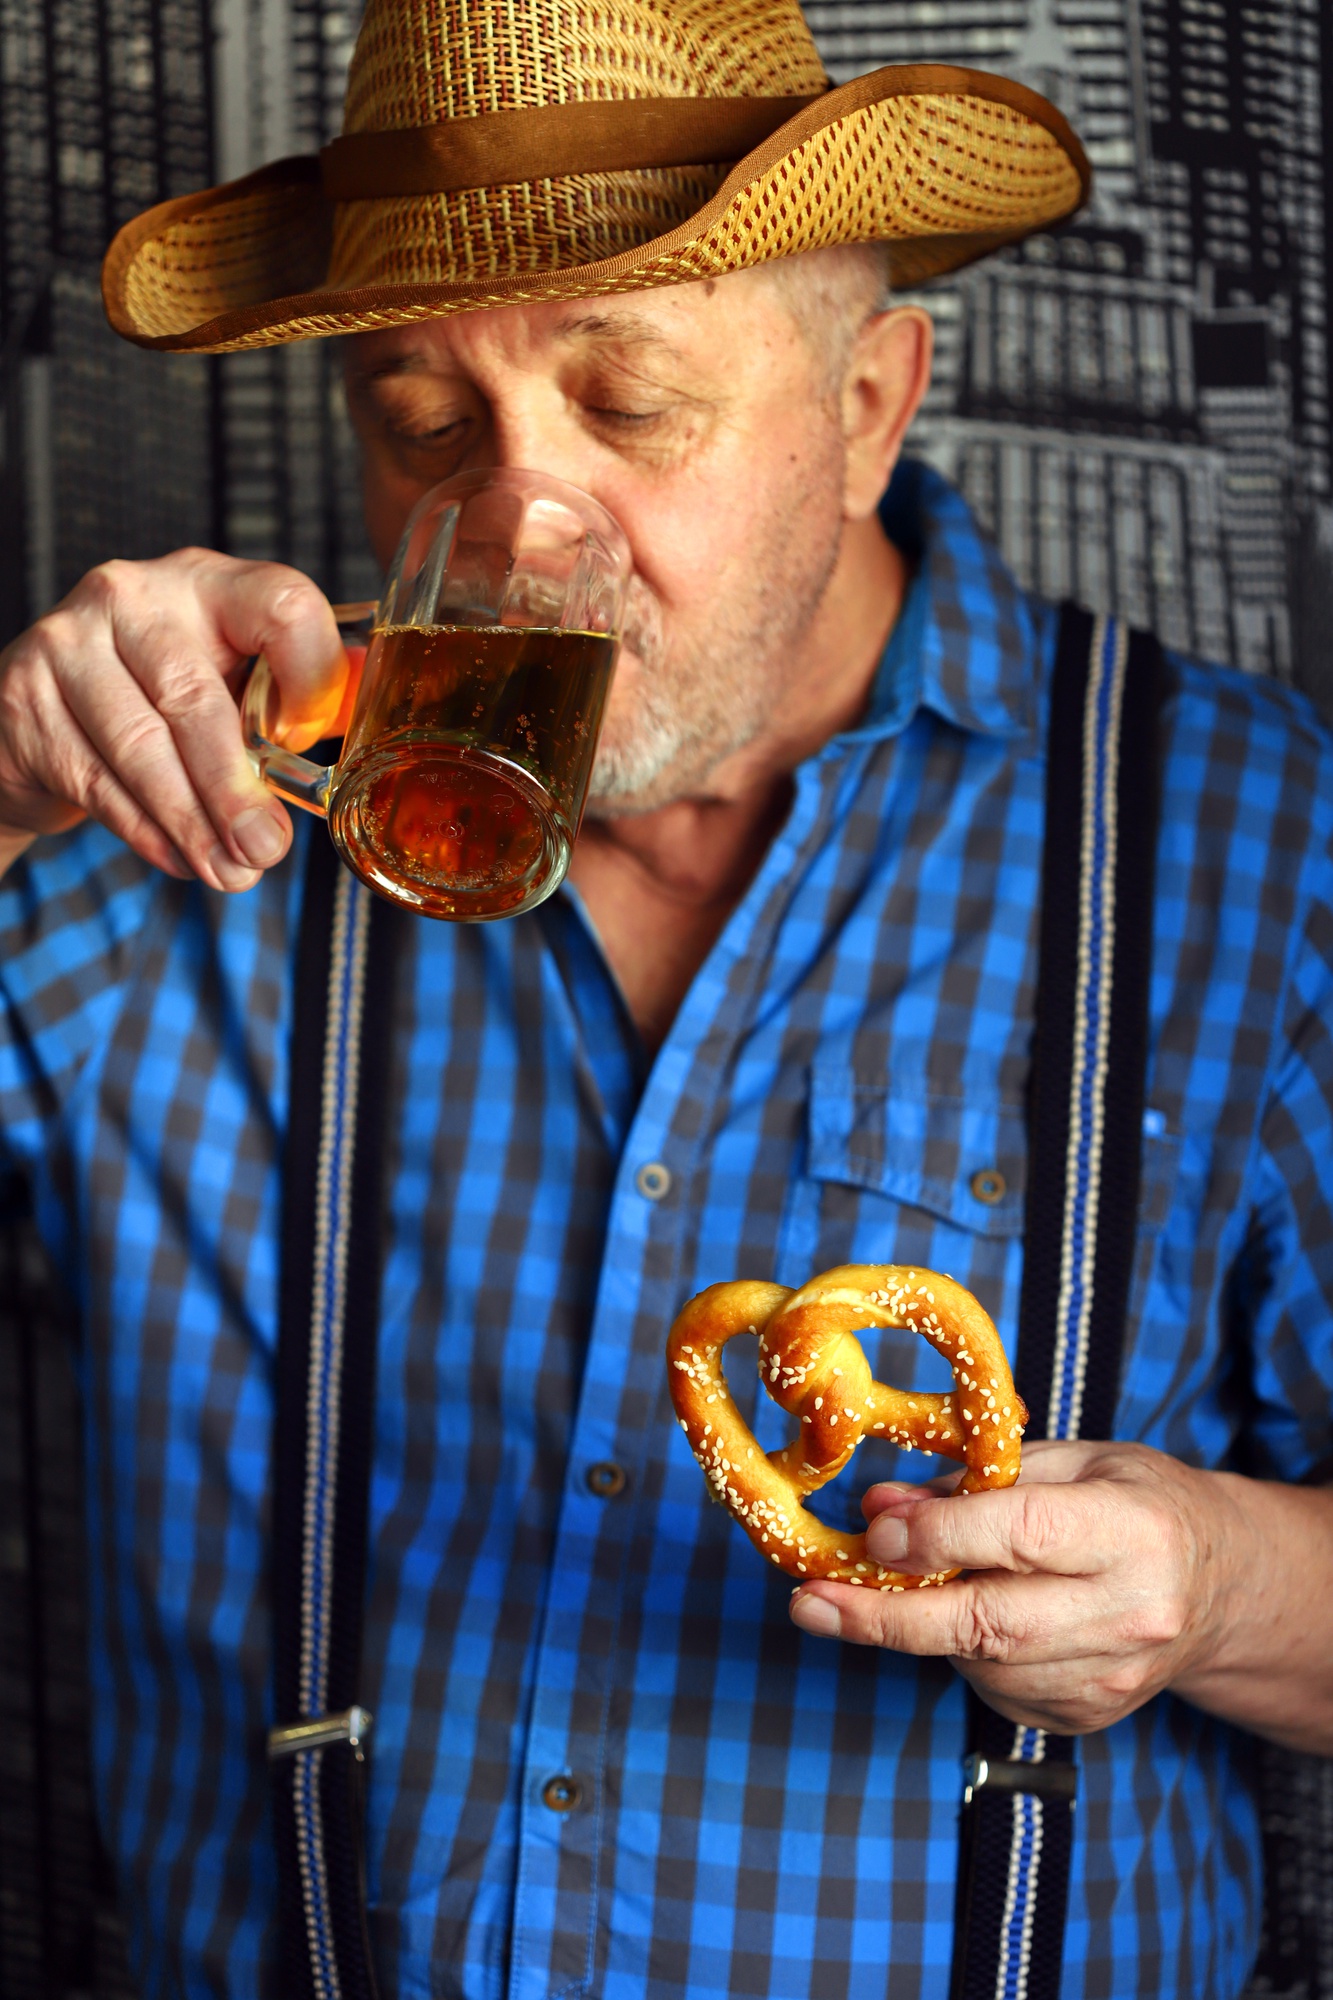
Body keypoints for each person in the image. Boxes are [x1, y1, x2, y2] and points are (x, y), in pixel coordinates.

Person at [3, 1, 1331, 1995]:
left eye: (626, 398)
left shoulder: (1263, 849)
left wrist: (1220, 1586)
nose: (525, 535)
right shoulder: (161, 820)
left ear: (871, 405)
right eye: (421, 416)